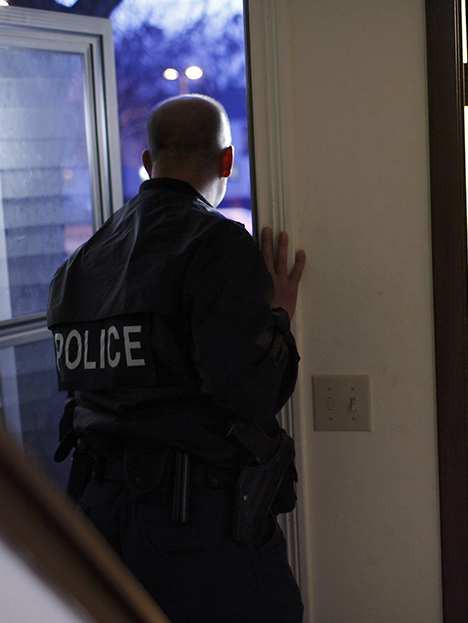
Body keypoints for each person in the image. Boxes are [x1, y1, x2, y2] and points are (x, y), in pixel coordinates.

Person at [47, 94, 306, 623]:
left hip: (98, 522)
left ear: (148, 163)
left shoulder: (78, 266)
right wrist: (277, 317)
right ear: (228, 162)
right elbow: (251, 394)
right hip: (196, 532)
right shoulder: (215, 245)